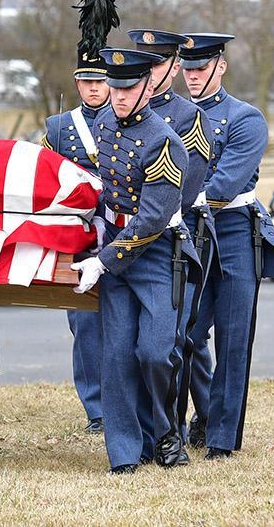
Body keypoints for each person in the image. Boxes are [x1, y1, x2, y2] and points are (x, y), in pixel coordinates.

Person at [73, 47, 200, 473]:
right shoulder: (106, 122)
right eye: (115, 86)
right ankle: (125, 452)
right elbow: (108, 193)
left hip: (156, 254)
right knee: (115, 356)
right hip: (112, 248)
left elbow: (150, 219)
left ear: (148, 86)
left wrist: (104, 261)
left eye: (128, 87)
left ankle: (165, 432)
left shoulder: (164, 140)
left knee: (155, 352)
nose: (119, 95)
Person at [180, 33, 274, 459]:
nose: (191, 77)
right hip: (187, 232)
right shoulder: (170, 116)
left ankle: (221, 439)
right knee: (183, 334)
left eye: (200, 68)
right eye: (186, 69)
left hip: (235, 232)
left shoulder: (246, 117)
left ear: (220, 66)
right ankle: (200, 416)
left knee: (233, 338)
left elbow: (225, 184)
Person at [128, 29, 215, 449]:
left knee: (171, 343)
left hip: (174, 240)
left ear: (175, 68)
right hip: (125, 241)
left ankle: (169, 429)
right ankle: (143, 433)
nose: (148, 70)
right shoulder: (118, 113)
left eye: (158, 63)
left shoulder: (187, 118)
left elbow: (183, 190)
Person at [41, 0, 119, 432]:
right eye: (86, 81)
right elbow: (47, 180)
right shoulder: (58, 128)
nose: (94, 88)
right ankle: (97, 408)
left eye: (101, 81)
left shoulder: (130, 119)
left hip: (120, 230)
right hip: (79, 234)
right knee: (85, 323)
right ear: (77, 82)